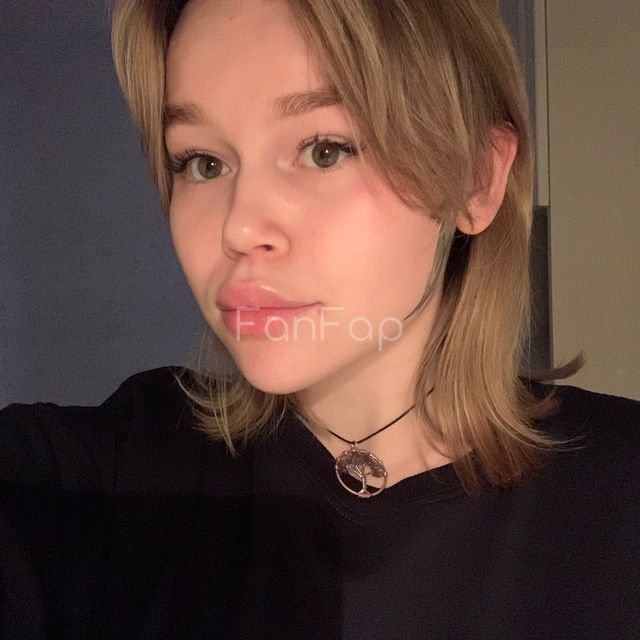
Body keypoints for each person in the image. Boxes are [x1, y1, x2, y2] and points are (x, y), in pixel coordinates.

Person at [1, 0, 639, 638]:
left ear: (476, 178)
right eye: (202, 162)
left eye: (325, 150)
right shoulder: (110, 475)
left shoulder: (621, 490)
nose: (238, 228)